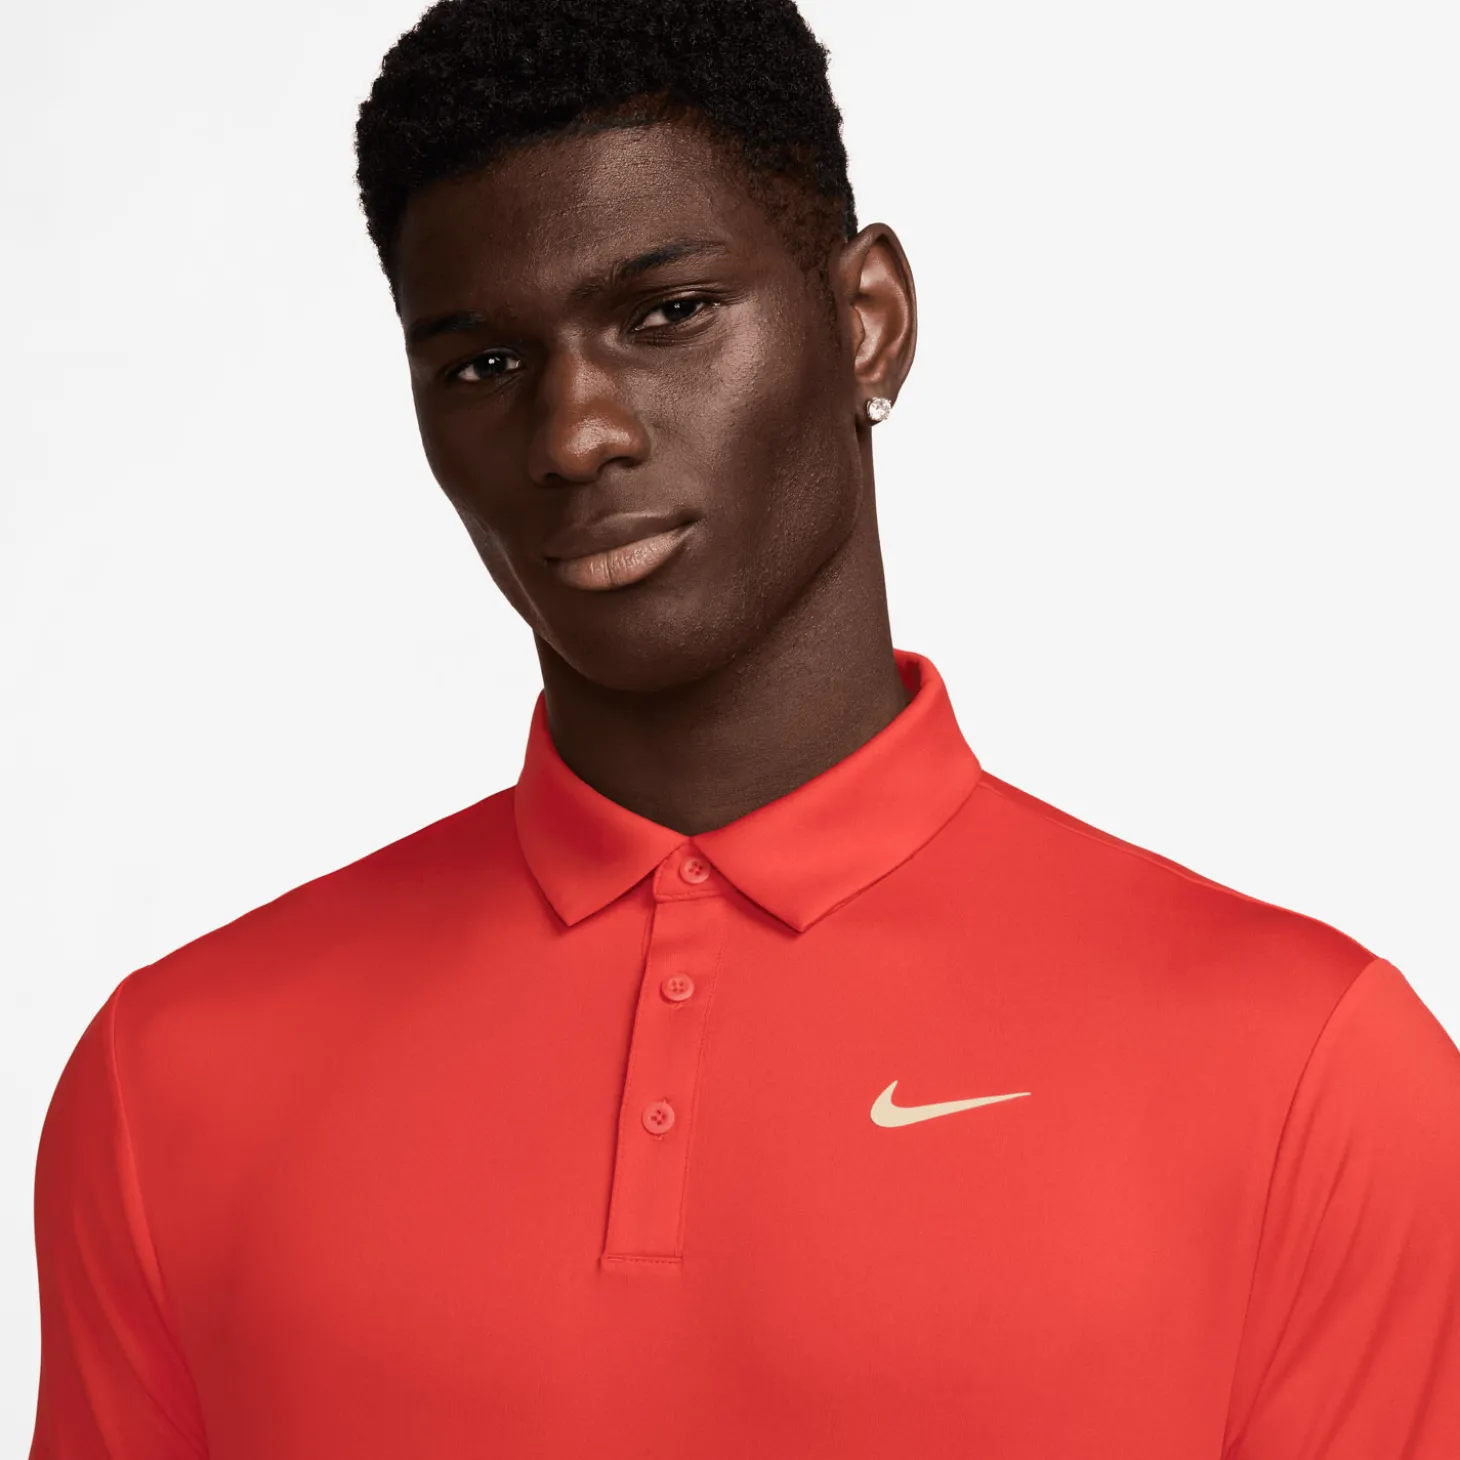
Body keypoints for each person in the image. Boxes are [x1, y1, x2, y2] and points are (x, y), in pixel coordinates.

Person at [27, 0, 1460, 1455]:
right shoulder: (172, 1087)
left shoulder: (1309, 1074)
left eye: (668, 314)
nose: (575, 433)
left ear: (868, 323)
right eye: (482, 365)